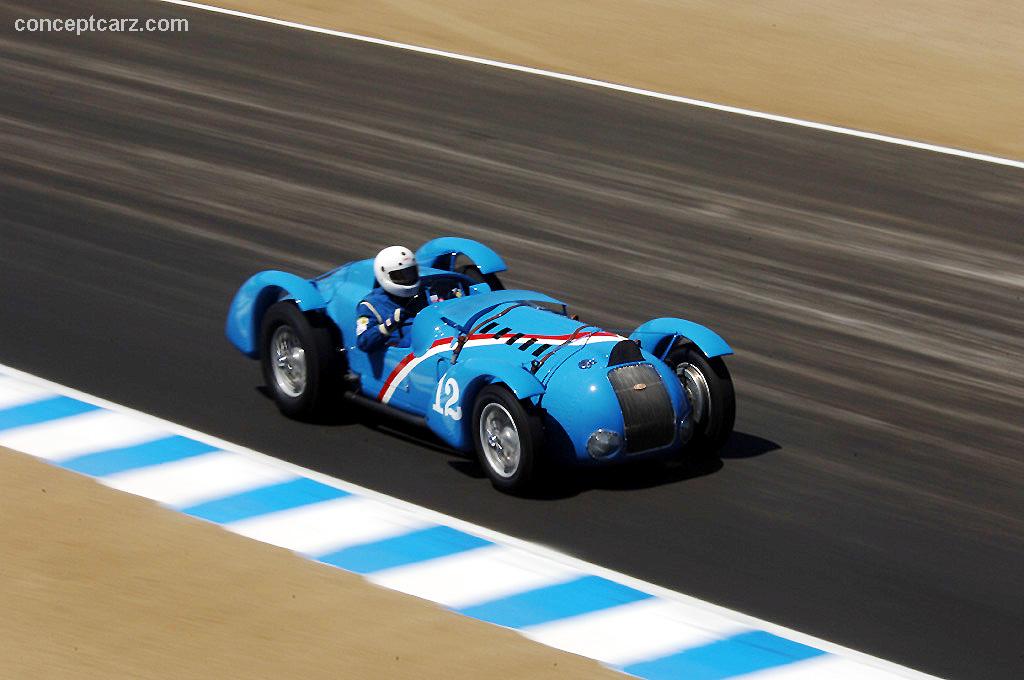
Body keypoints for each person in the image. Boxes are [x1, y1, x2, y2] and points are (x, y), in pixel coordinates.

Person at [356, 245, 421, 352]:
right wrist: (389, 325)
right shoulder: (370, 306)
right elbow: (363, 342)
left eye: (411, 273)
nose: (408, 279)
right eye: (400, 276)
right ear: (384, 276)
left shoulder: (425, 291)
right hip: (406, 356)